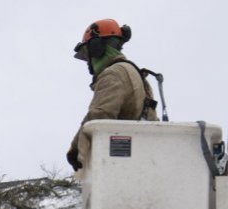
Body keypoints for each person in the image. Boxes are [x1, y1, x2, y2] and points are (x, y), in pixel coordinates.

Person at [66, 18, 159, 172]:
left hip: (125, 164)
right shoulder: (133, 72)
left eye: (87, 53)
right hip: (141, 158)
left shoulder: (113, 74)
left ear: (97, 48)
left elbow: (99, 116)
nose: (88, 61)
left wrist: (75, 150)